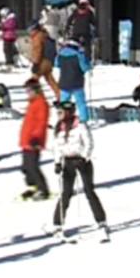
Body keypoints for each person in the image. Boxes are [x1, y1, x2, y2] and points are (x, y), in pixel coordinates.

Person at [50, 101, 109, 242]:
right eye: (58, 112)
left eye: (61, 112)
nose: (58, 115)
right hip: (68, 162)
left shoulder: (80, 125)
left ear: (68, 112)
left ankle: (101, 221)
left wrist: (84, 157)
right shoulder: (59, 127)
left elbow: (89, 143)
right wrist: (57, 162)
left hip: (82, 162)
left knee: (89, 191)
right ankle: (58, 224)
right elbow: (56, 147)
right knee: (66, 193)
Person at [19, 78, 51, 200]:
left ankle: (43, 190)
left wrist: (36, 138)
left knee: (33, 166)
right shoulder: (32, 103)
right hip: (26, 141)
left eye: (29, 90)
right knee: (25, 167)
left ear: (36, 90)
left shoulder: (41, 103)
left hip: (34, 141)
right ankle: (33, 187)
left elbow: (41, 123)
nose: (27, 92)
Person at [55, 39, 92, 123]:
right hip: (77, 83)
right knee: (80, 103)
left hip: (64, 82)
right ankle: (83, 120)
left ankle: (62, 119)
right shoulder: (79, 55)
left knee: (63, 102)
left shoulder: (60, 55)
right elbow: (85, 68)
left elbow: (56, 64)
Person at [28, 22, 61, 101]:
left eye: (30, 30)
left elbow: (38, 50)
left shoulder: (37, 37)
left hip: (41, 62)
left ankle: (38, 98)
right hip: (48, 61)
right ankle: (60, 95)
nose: (29, 32)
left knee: (33, 81)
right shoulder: (44, 34)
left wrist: (35, 63)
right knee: (50, 80)